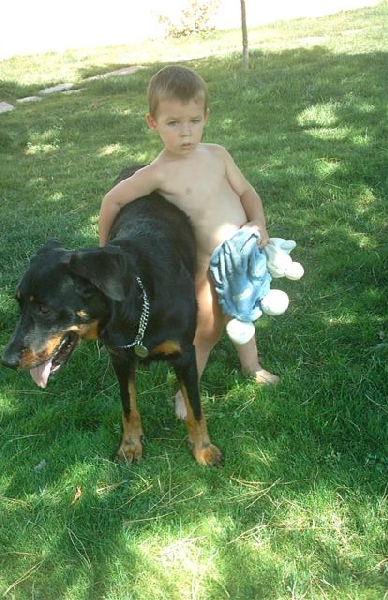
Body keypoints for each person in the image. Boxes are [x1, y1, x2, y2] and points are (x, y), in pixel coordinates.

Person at [98, 65, 278, 419]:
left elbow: (246, 192)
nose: (186, 132)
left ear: (206, 116)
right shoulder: (157, 173)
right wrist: (106, 249)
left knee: (242, 310)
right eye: (173, 123)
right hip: (205, 265)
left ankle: (252, 366)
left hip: (242, 255)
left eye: (194, 121)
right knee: (206, 331)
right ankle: (186, 391)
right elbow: (112, 201)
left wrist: (258, 222)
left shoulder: (218, 155)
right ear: (153, 123)